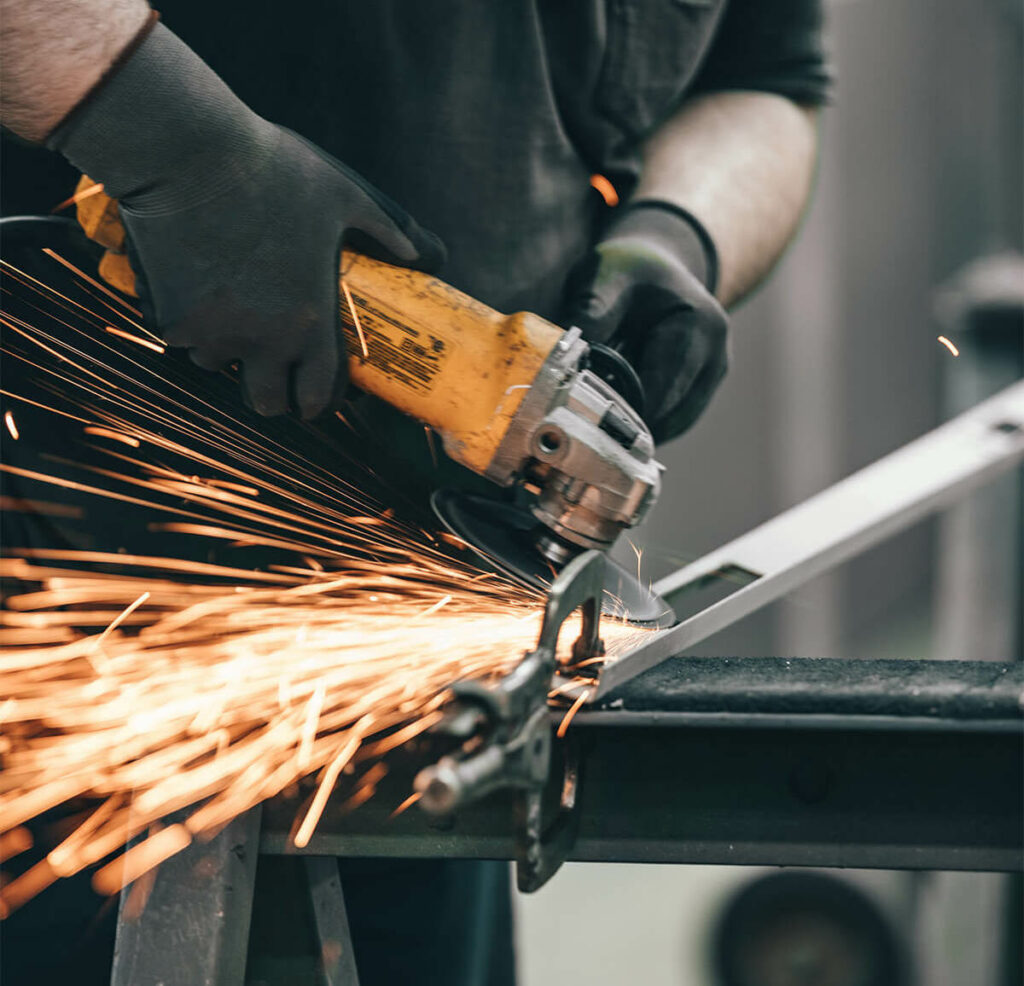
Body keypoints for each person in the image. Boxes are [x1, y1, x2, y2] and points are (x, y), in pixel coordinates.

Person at [0, 2, 830, 983]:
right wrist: (169, 138)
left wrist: (677, 237)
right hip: (62, 626)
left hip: (428, 662)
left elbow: (768, 81)